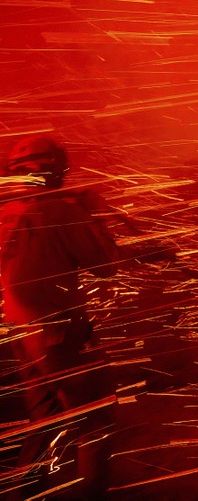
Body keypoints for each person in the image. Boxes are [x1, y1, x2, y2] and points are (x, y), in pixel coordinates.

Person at [0, 135, 120, 499]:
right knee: (96, 419)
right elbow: (103, 266)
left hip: (21, 333)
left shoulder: (7, 214)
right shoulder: (60, 211)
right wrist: (94, 211)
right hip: (59, 332)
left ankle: (23, 493)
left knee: (46, 420)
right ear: (53, 170)